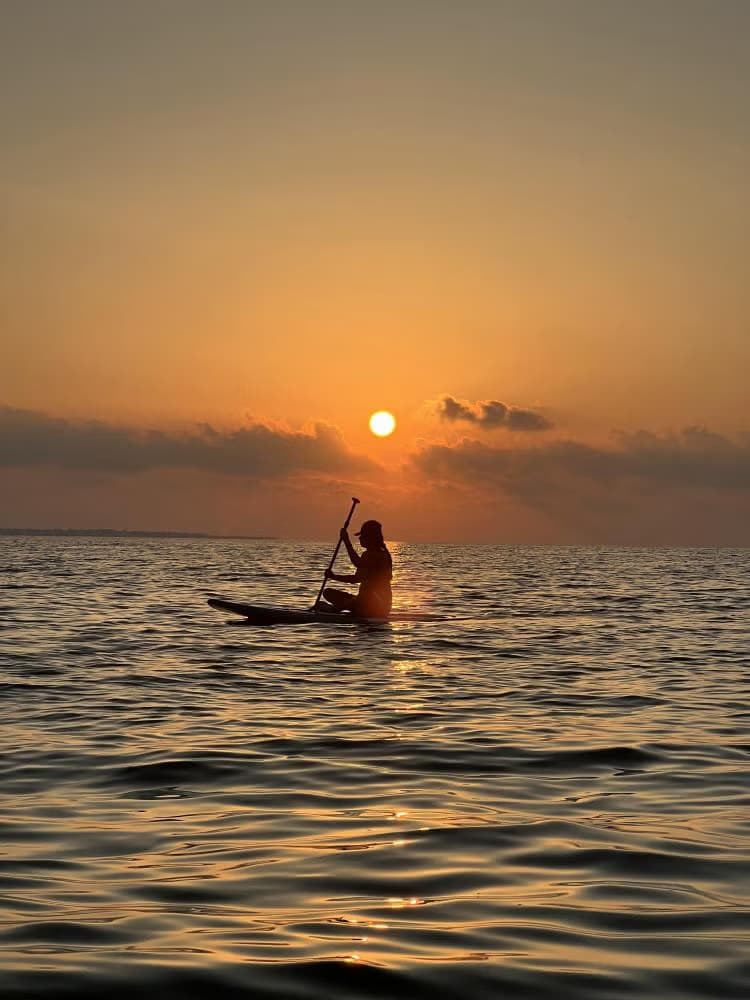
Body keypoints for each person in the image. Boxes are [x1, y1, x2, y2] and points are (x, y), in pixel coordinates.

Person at [322, 519, 393, 618]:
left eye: (363, 536)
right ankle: (344, 607)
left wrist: (346, 541)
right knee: (328, 592)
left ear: (371, 538)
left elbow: (357, 563)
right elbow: (356, 579)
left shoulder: (378, 554)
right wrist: (334, 577)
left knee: (366, 594)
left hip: (376, 606)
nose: (360, 539)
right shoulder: (370, 553)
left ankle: (335, 609)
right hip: (366, 603)